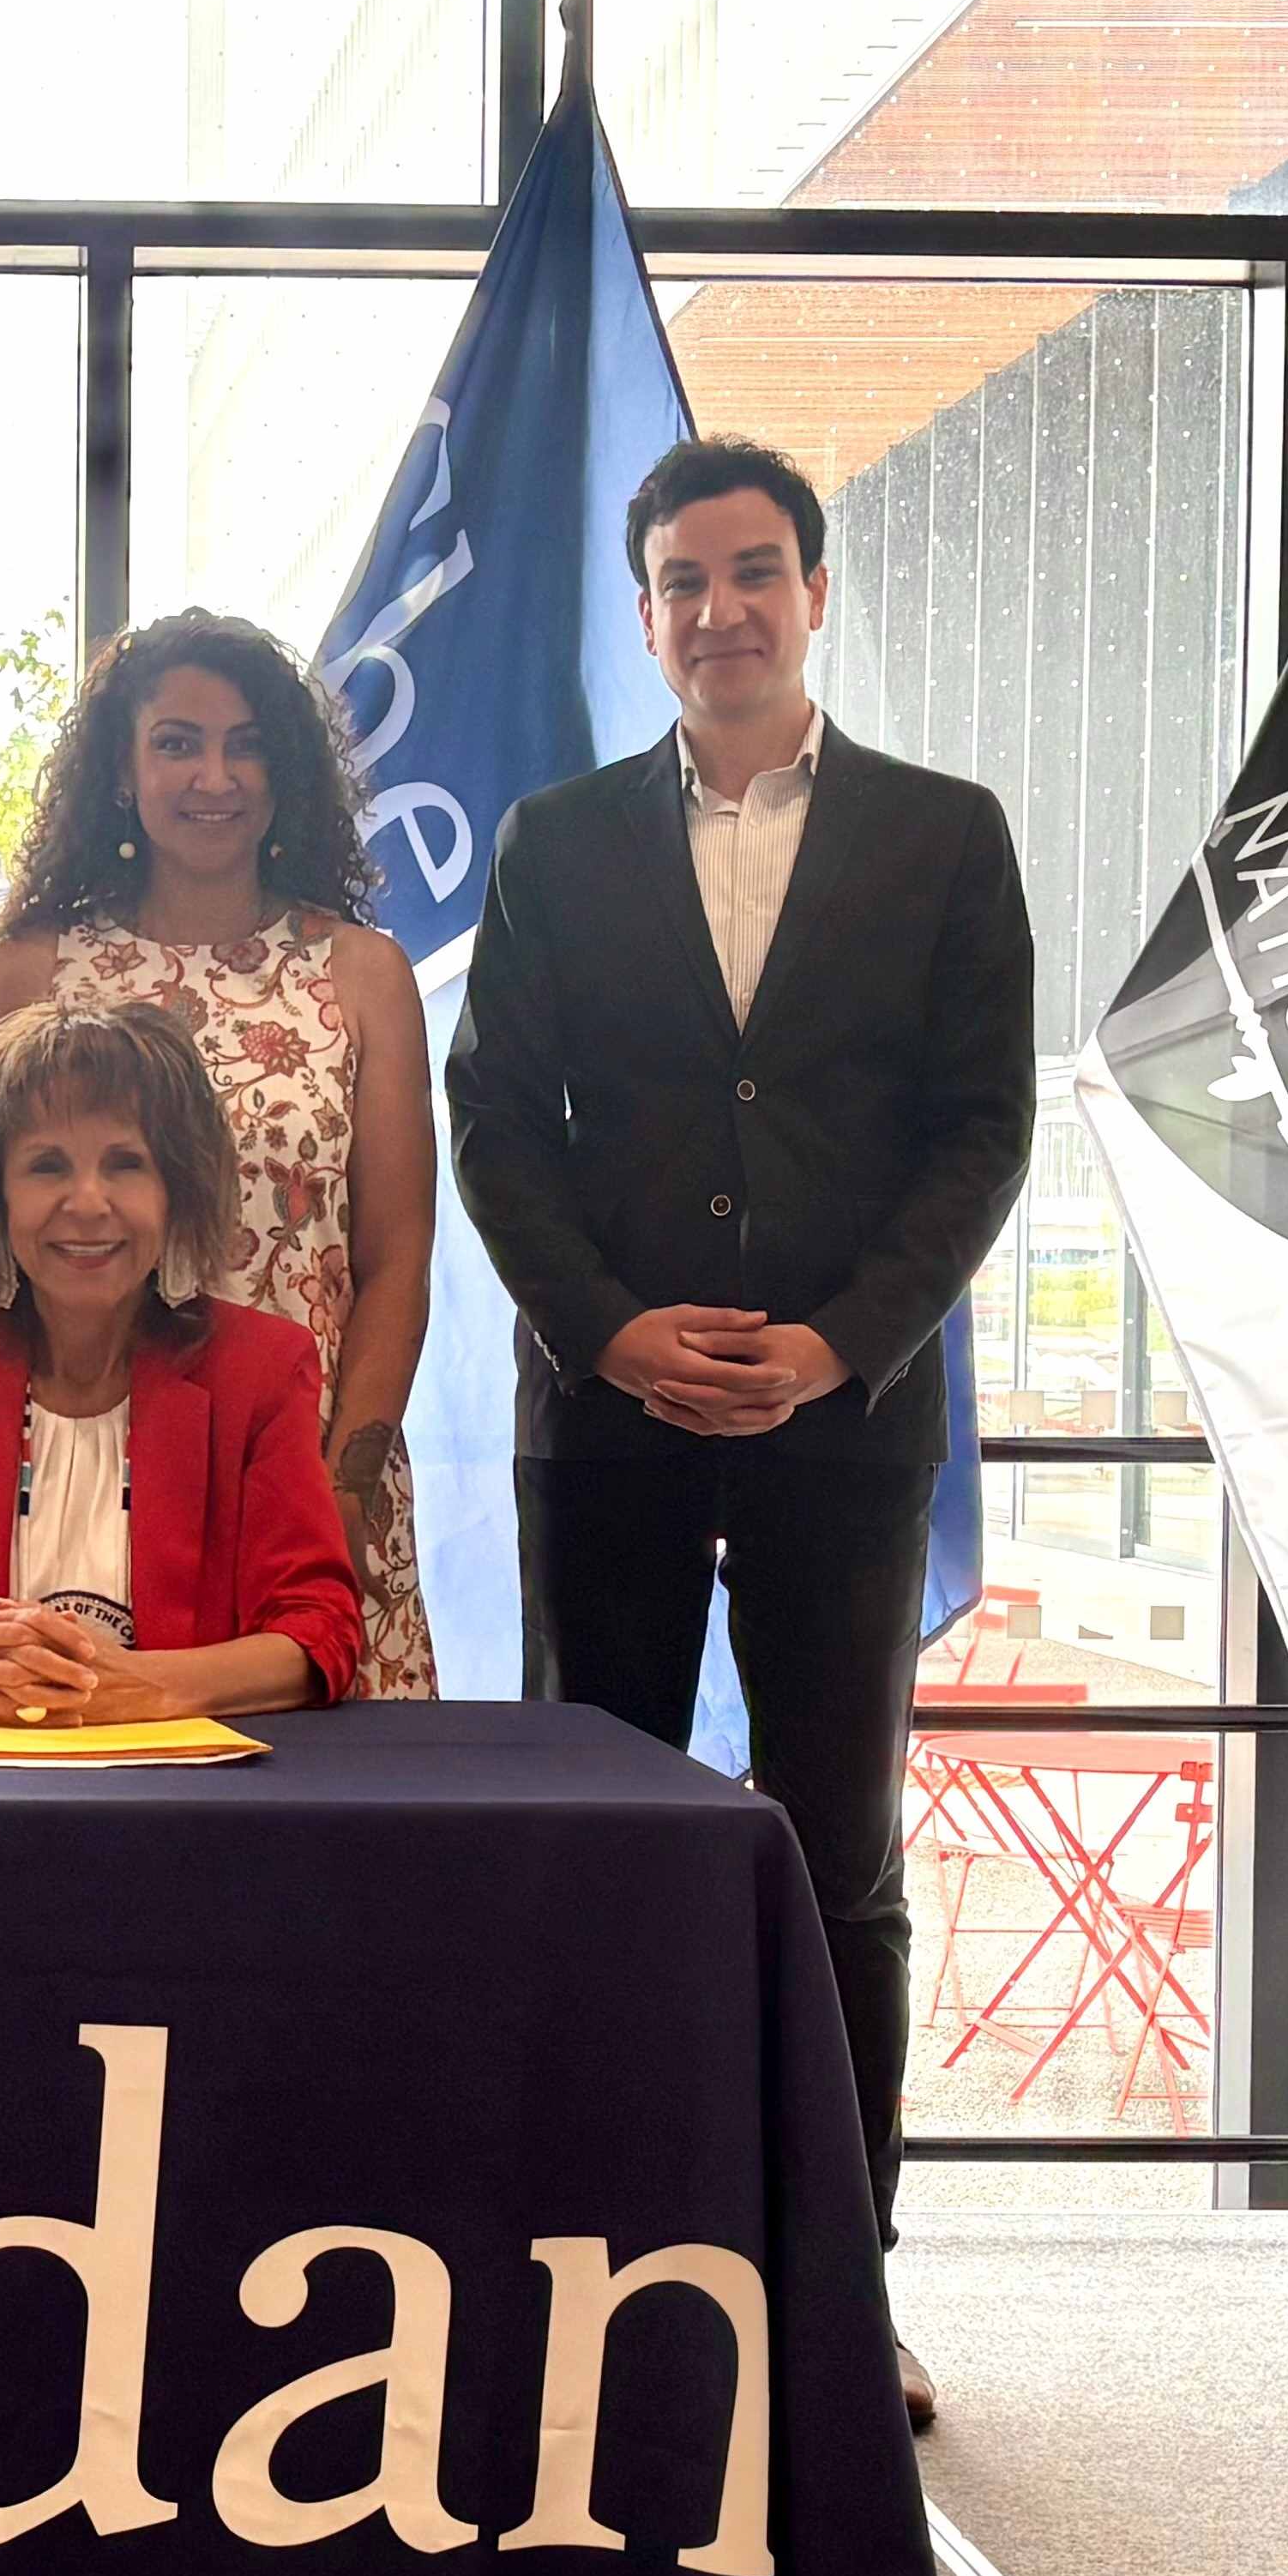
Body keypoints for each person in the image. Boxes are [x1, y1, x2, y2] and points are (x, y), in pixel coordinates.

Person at [446, 437, 1035, 2430]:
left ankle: (840, 2294)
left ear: (814, 591)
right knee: (585, 1852)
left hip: (842, 1426)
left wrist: (835, 1343)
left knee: (837, 1857)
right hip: (603, 1423)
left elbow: (981, 1135)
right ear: (644, 614)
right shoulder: (553, 841)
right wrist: (611, 1336)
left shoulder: (944, 836)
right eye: (682, 580)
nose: (721, 608)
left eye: (755, 571)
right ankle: (589, 2279)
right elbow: (498, 1126)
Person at [0, 609, 438, 1701]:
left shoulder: (362, 973)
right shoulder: (39, 966)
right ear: (122, 774)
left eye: (247, 743)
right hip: (89, 1478)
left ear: (288, 774)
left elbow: (398, 1258)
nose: (214, 775)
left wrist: (346, 1489)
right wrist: (0, 1470)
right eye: (177, 742)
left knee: (323, 1841)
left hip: (313, 1480)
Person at [0, 1001, 358, 1722]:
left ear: (175, 1191)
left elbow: (319, 1631)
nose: (87, 1202)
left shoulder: (260, 1368)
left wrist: (145, 1687)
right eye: (47, 1165)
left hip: (182, 1811)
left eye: (125, 1164)